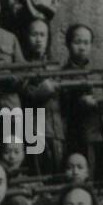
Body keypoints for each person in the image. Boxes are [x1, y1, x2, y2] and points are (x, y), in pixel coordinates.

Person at [60, 23, 103, 175]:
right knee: (88, 174)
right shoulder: (63, 74)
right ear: (68, 44)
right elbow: (63, 107)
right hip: (82, 135)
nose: (82, 47)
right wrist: (80, 103)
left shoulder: (98, 72)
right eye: (77, 42)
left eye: (86, 43)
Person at [20, 18, 66, 173]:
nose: (38, 39)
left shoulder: (55, 66)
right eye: (34, 34)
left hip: (56, 129)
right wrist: (40, 91)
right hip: (33, 128)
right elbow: (23, 93)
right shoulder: (21, 66)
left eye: (42, 35)